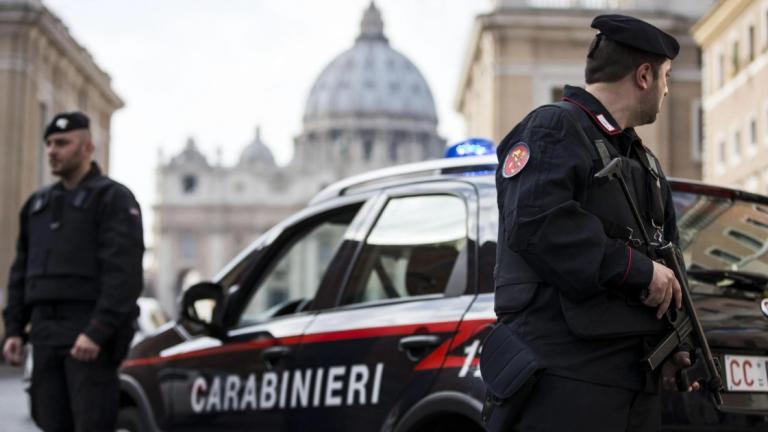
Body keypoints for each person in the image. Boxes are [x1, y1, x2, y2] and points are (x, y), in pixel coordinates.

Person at [491, 14, 697, 432]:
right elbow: (538, 224)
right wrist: (639, 271)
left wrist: (679, 339)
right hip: (568, 377)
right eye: (666, 77)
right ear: (644, 76)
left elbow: (668, 256)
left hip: (634, 381)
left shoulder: (645, 161)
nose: (666, 89)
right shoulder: (554, 127)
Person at [2, 112, 144, 432]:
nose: (52, 151)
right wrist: (13, 329)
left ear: (87, 148)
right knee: (49, 421)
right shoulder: (37, 205)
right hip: (45, 333)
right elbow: (20, 272)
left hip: (88, 335)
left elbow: (123, 274)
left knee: (91, 423)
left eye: (62, 143)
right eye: (50, 144)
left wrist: (97, 330)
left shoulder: (113, 199)